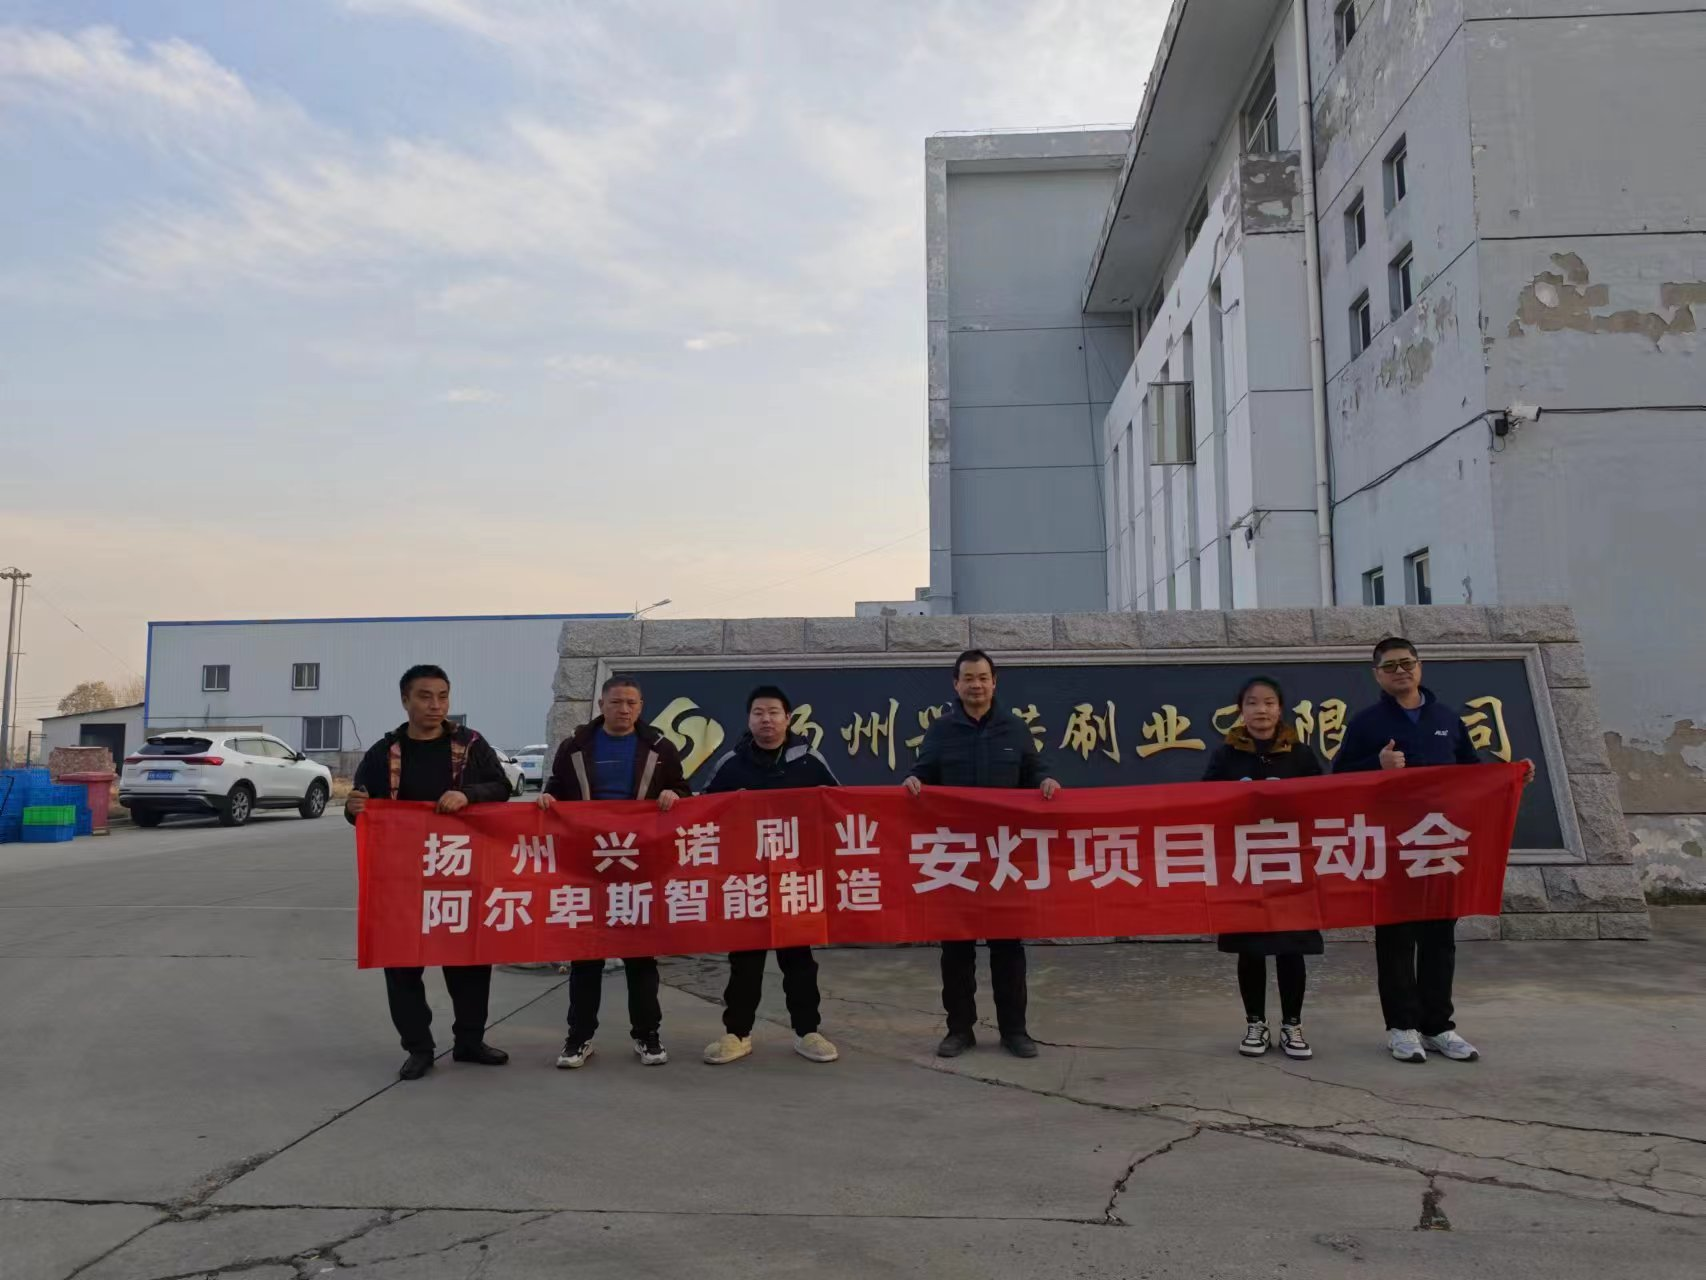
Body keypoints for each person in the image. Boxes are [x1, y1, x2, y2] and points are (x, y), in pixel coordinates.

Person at [1335, 637, 1533, 1066]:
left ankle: (1438, 1026)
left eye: (1407, 663)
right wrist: (1376, 767)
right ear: (1377, 675)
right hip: (1393, 847)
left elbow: (1472, 775)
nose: (1400, 671)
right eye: (1390, 666)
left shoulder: (1447, 719)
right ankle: (1402, 1027)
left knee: (1440, 939)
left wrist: (1511, 779)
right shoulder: (1367, 723)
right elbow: (1338, 779)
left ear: (1420, 667)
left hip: (1441, 845)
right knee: (1396, 940)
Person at [346, 664, 514, 1081]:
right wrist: (353, 809)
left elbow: (501, 788)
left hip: (461, 870)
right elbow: (363, 807)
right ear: (405, 700)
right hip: (402, 875)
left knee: (469, 960)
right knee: (402, 963)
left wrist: (467, 793)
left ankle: (470, 1041)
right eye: (425, 696)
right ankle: (418, 1048)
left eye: (443, 696)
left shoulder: (471, 746)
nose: (435, 705)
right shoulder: (384, 753)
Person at [904, 649, 1060, 1059]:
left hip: (1003, 855)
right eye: (968, 678)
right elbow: (923, 771)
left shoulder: (1015, 728)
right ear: (956, 684)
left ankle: (1015, 1031)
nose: (976, 685)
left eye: (983, 677)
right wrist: (914, 781)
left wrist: (1045, 782)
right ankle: (959, 1030)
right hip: (956, 856)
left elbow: (1034, 769)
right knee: (957, 950)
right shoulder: (941, 731)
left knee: (1008, 948)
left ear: (994, 682)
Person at [539, 676, 688, 1070]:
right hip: (587, 865)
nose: (624, 709)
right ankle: (578, 1038)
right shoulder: (575, 747)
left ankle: (647, 1035)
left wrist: (674, 795)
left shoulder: (659, 747)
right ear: (601, 705)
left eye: (632, 703)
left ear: (641, 707)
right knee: (586, 956)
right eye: (617, 702)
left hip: (640, 865)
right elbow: (557, 787)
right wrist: (549, 798)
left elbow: (683, 790)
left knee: (640, 957)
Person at [699, 685, 842, 1067]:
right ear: (749, 719)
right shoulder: (731, 763)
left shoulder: (809, 760)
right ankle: (737, 1033)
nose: (767, 719)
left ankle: (807, 1031)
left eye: (774, 712)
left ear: (788, 718)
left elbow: (838, 806)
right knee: (745, 960)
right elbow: (703, 810)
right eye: (759, 713)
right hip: (746, 879)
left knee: (799, 959)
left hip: (795, 878)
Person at [1203, 675, 1324, 1061]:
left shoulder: (1301, 755)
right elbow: (1204, 801)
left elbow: (1323, 802)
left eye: (1269, 702)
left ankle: (1292, 1025)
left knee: (1291, 949)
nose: (1261, 710)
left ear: (1280, 709)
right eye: (1253, 702)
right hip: (1245, 865)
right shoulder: (1225, 755)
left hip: (1289, 865)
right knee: (1250, 949)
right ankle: (1255, 1023)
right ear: (1241, 710)